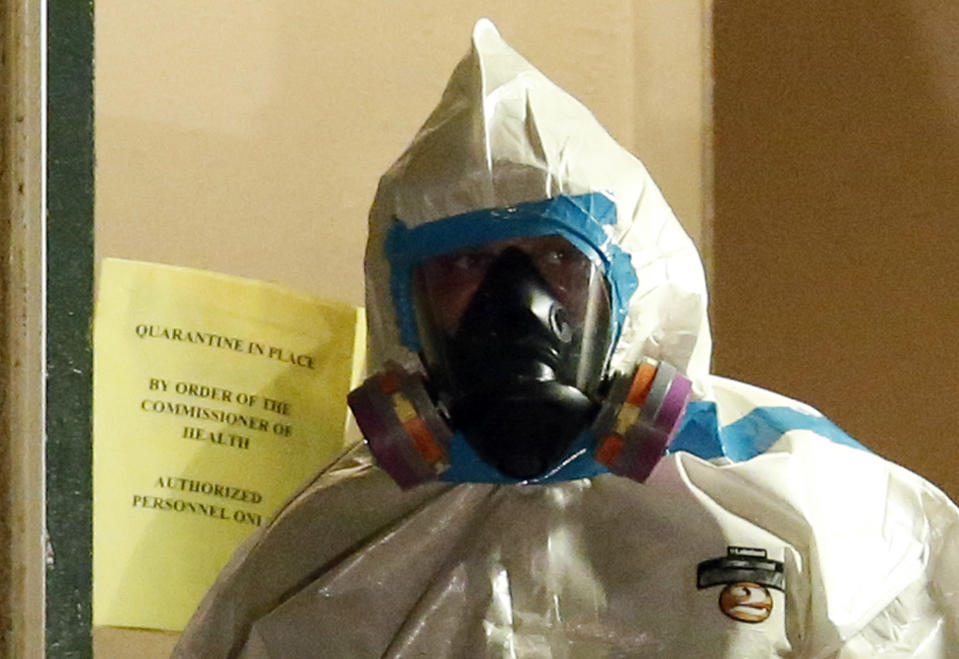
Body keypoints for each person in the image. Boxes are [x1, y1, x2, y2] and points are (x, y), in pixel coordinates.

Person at [175, 19, 959, 657]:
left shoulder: (809, 499)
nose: (516, 307)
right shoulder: (327, 541)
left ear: (634, 278)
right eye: (466, 265)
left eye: (557, 259)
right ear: (402, 304)